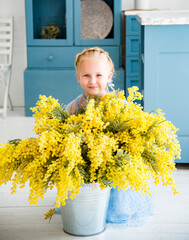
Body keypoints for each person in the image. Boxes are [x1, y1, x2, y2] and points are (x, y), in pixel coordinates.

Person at [65, 47, 153, 225]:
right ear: (78, 77)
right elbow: (64, 130)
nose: (92, 81)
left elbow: (130, 136)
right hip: (86, 162)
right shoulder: (74, 107)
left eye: (98, 75)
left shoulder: (118, 105)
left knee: (115, 206)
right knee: (86, 202)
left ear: (109, 76)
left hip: (112, 163)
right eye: (86, 75)